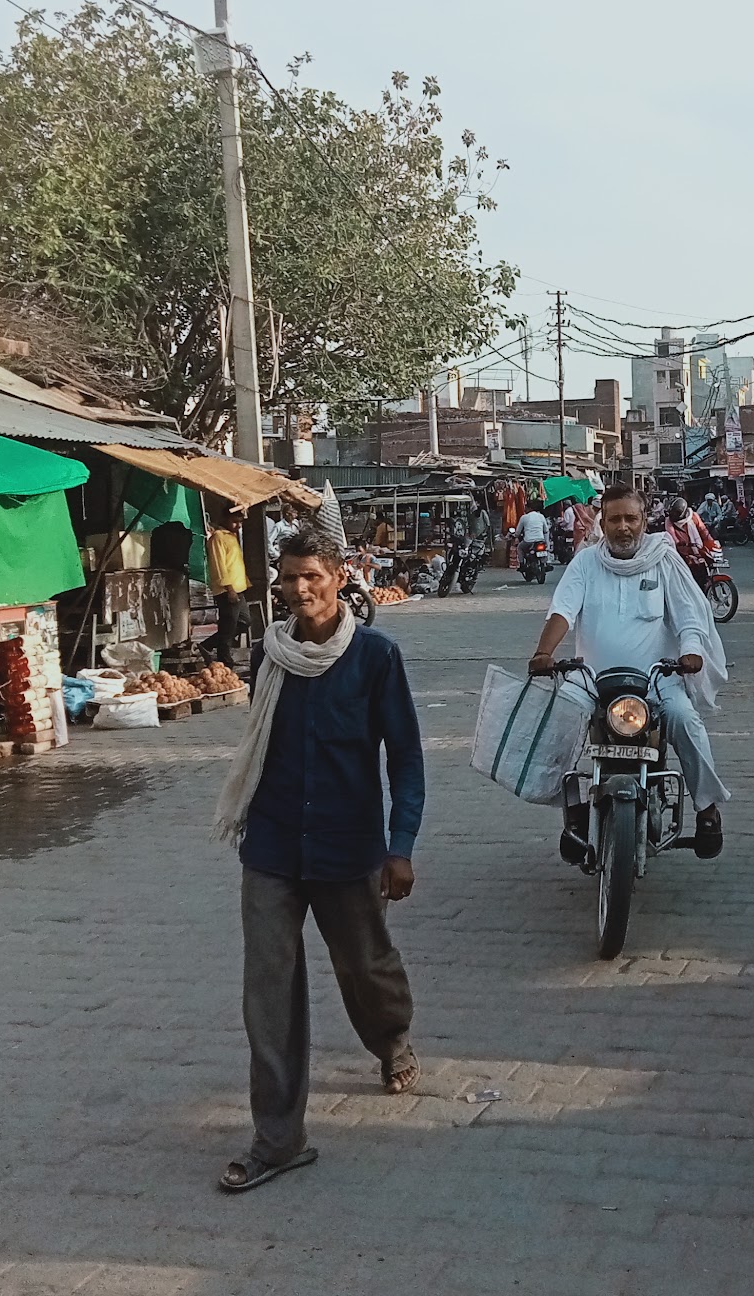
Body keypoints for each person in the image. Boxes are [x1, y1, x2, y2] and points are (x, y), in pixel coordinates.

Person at [212, 529, 426, 1193]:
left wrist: (401, 846)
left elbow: (406, 759)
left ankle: (391, 1040)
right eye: (289, 578)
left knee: (366, 968)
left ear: (340, 577)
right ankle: (279, 1139)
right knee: (268, 993)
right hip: (273, 844)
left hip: (348, 845)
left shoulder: (375, 659)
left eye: (313, 576)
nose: (300, 590)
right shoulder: (268, 657)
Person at [528, 484, 730, 857]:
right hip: (592, 680)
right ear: (602, 523)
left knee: (685, 721)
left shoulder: (663, 560)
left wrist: (691, 651)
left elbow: (688, 616)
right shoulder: (586, 563)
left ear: (644, 521)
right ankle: (573, 811)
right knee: (558, 721)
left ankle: (707, 808)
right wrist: (544, 652)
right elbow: (562, 611)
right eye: (615, 519)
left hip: (657, 680)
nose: (623, 527)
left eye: (631, 518)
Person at [206, 507, 249, 668]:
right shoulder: (218, 537)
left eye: (240, 522)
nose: (238, 525)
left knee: (244, 621)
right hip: (227, 590)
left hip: (239, 588)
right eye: (235, 521)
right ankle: (225, 660)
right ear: (225, 519)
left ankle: (208, 645)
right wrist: (229, 588)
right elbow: (219, 566)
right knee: (228, 626)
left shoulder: (232, 536)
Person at [665, 495, 723, 585]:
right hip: (681, 552)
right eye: (673, 513)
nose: (674, 515)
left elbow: (703, 530)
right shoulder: (669, 521)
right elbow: (671, 534)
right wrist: (678, 542)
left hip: (697, 548)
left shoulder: (694, 516)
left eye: (676, 513)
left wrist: (712, 542)